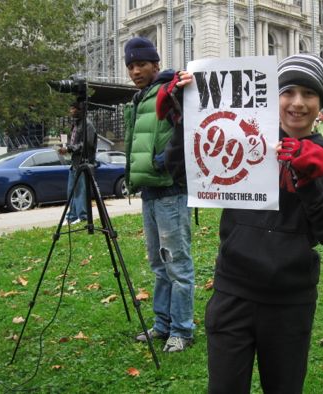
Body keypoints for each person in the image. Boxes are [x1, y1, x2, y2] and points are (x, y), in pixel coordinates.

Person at [157, 54, 323, 393]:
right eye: (288, 91)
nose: (297, 103)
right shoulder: (246, 138)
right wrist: (183, 121)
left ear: (320, 102)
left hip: (290, 302)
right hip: (234, 293)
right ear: (273, 97)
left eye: (309, 94)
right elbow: (183, 174)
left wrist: (310, 183)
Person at [123, 37, 195, 352]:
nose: (135, 70)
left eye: (141, 64)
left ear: (155, 64)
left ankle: (182, 329)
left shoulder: (171, 89)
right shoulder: (140, 97)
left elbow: (194, 113)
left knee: (177, 263)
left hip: (171, 189)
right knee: (158, 263)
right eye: (130, 65)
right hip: (149, 191)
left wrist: (185, 82)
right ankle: (163, 325)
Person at [58, 101, 97, 225]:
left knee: (80, 191)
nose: (71, 111)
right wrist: (67, 148)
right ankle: (72, 216)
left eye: (74, 109)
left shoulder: (88, 125)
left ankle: (83, 216)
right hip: (74, 163)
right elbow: (75, 143)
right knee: (71, 191)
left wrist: (70, 148)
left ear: (81, 110)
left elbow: (87, 144)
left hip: (83, 163)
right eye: (71, 108)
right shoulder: (75, 125)